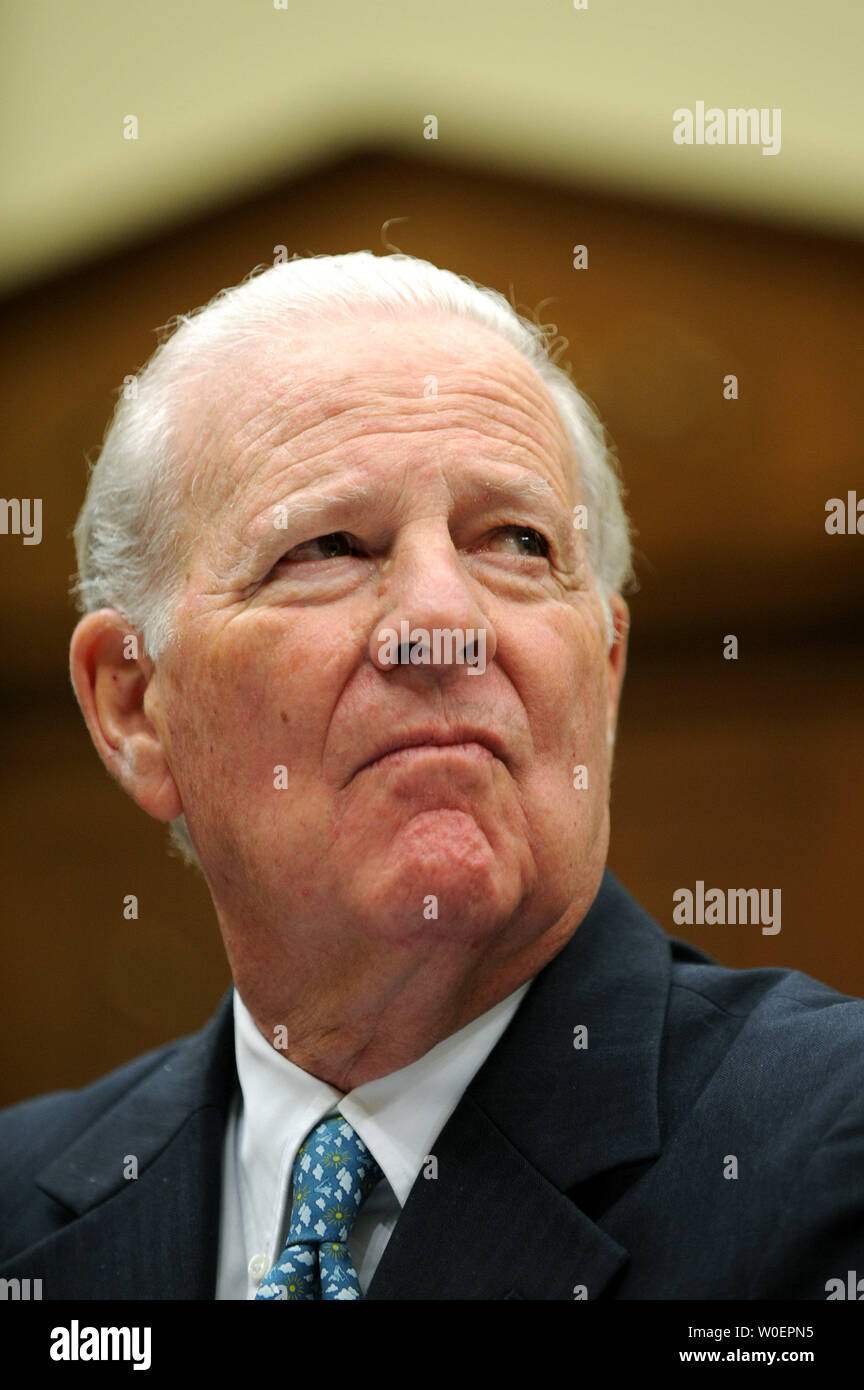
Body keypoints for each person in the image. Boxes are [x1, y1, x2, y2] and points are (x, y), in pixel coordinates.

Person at [1, 251, 862, 1301]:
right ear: (135, 706)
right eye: (327, 546)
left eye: (515, 541)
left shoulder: (828, 1155)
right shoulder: (16, 1215)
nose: (443, 625)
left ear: (603, 669)